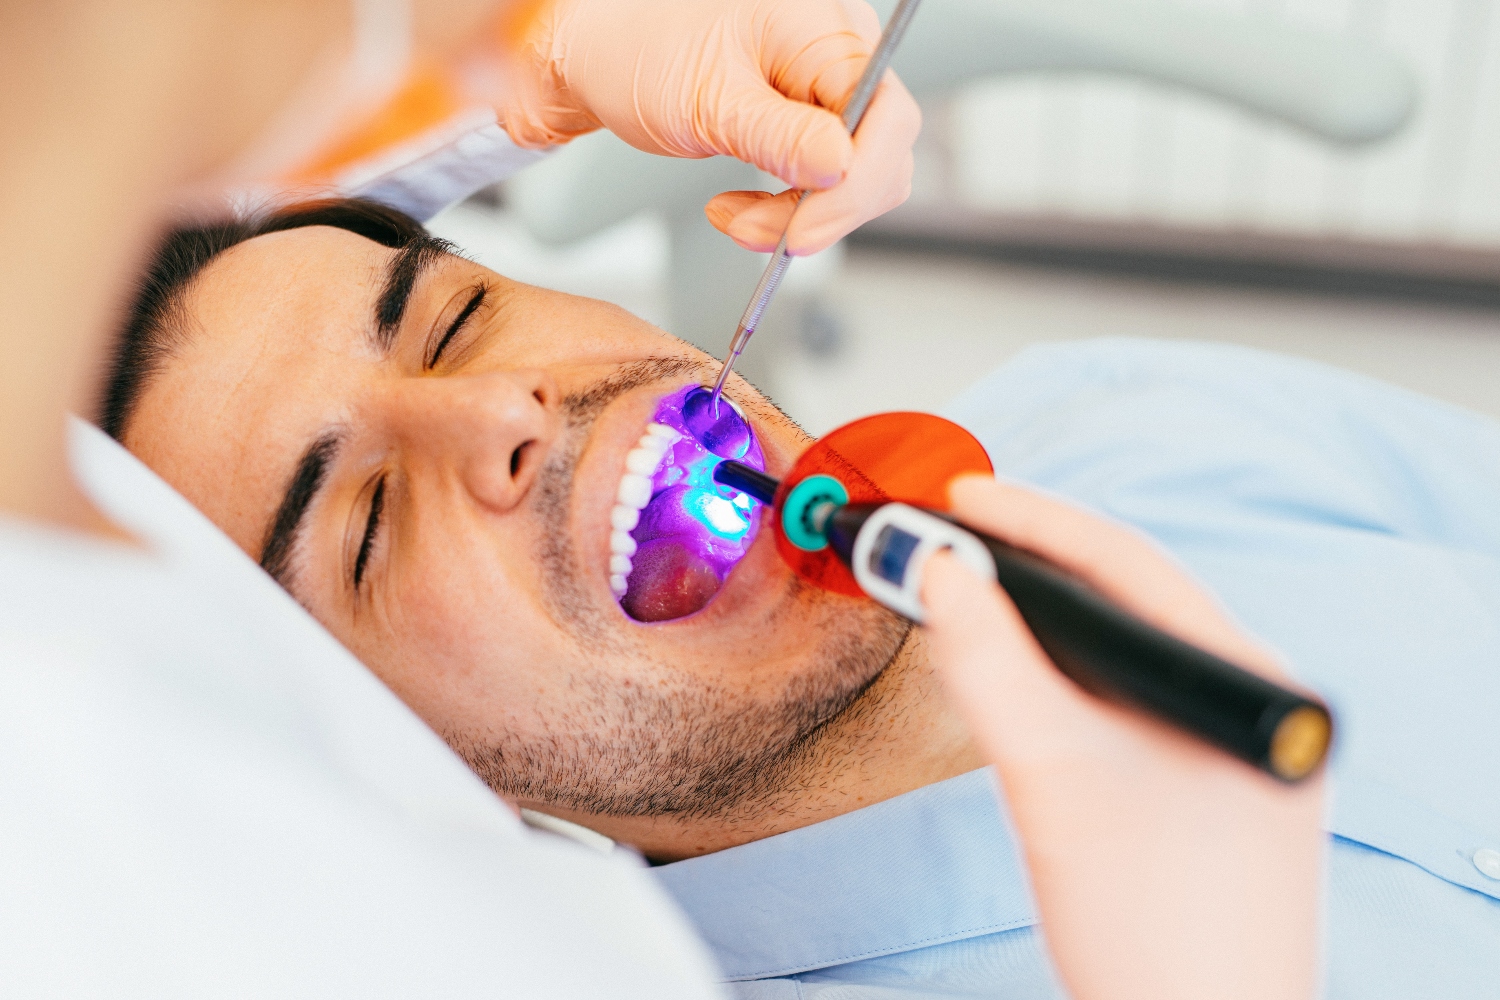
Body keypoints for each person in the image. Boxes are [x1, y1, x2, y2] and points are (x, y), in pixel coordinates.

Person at [100, 196, 1498, 997]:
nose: (493, 412)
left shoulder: (1141, 415)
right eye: (364, 527)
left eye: (453, 317)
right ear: (395, 768)